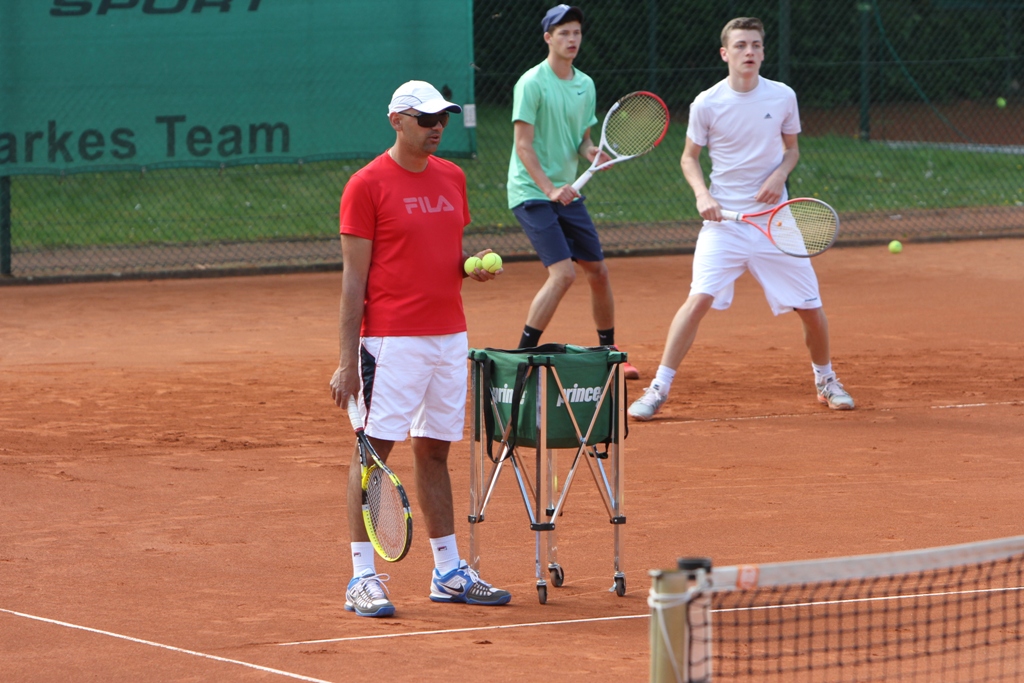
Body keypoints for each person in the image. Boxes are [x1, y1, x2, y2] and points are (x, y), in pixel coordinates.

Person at [329, 80, 511, 617]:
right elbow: (353, 281)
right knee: (372, 456)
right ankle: (362, 578)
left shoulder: (453, 177)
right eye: (427, 119)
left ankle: (448, 572)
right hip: (390, 341)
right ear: (397, 121)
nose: (438, 128)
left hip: (449, 337)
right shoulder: (365, 185)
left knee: (434, 451)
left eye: (443, 119)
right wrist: (347, 360)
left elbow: (437, 253)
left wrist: (468, 267)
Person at [628, 17, 855, 421]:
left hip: (776, 221)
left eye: (755, 45)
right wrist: (702, 195)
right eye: (740, 45)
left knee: (810, 307)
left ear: (763, 52)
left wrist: (779, 175)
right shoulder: (706, 103)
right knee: (698, 299)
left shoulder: (782, 96)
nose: (749, 52)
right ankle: (659, 387)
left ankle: (826, 380)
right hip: (725, 225)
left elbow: (791, 150)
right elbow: (689, 158)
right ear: (725, 53)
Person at [506, 4, 640, 379]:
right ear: (548, 38)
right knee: (563, 274)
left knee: (598, 271)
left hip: (566, 192)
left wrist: (591, 152)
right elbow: (523, 146)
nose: (572, 39)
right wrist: (549, 188)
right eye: (563, 32)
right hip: (532, 191)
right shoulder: (531, 83)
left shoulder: (586, 84)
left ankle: (608, 352)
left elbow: (582, 140)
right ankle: (523, 357)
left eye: (576, 32)